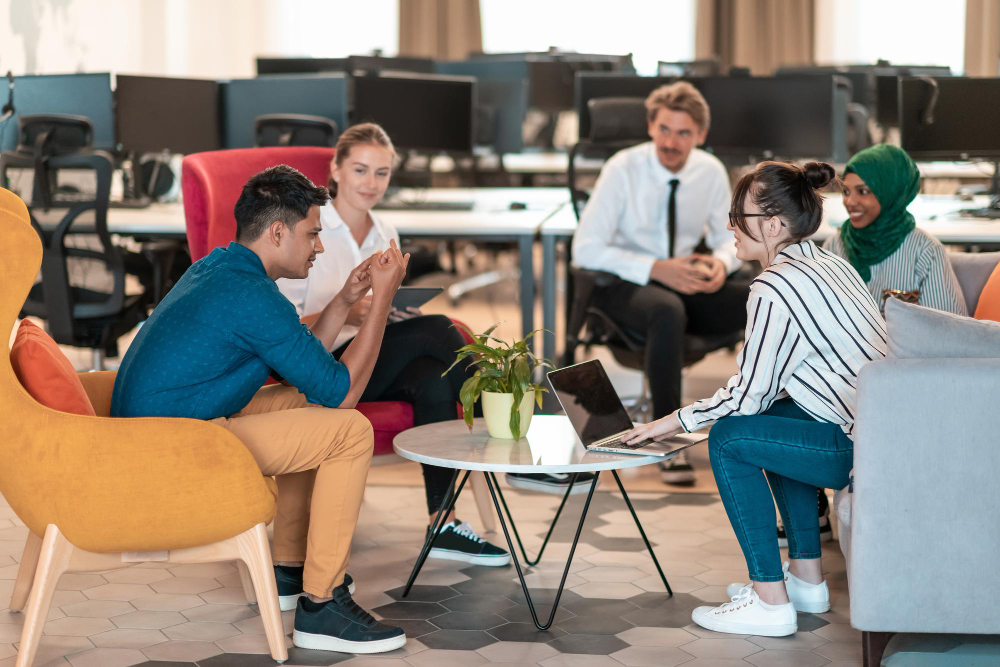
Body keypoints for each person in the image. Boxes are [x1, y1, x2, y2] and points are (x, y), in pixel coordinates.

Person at [112, 165, 409, 654]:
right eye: (313, 233)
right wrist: (383, 301)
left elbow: (307, 370)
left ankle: (289, 569)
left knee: (304, 403)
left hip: (171, 426)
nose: (319, 246)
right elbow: (342, 394)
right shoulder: (253, 296)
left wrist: (349, 297)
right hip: (173, 447)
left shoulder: (222, 268)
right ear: (277, 231)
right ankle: (322, 603)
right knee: (349, 430)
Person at [623, 161, 887, 637]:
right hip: (876, 432)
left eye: (736, 216)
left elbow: (745, 397)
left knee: (728, 438)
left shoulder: (773, 287)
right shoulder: (830, 262)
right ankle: (806, 580)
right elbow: (768, 390)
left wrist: (672, 422)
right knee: (772, 416)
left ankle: (769, 601)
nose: (729, 227)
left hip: (855, 449)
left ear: (771, 225)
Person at [276, 123, 512, 564]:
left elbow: (382, 310)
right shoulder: (310, 226)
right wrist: (352, 310)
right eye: (361, 170)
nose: (370, 183)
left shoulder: (385, 228)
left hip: (372, 356)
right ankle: (513, 426)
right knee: (440, 331)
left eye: (381, 174)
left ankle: (443, 522)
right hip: (324, 362)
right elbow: (281, 326)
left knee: (431, 376)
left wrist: (392, 310)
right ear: (336, 169)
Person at [774, 145, 968, 549]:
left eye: (865, 192)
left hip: (899, 380)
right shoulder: (836, 245)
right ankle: (812, 512)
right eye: (847, 191)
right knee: (780, 402)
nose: (851, 203)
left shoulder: (923, 250)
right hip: (841, 374)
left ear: (893, 192)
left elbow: (953, 330)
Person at [571, 81, 749, 486]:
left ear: (700, 135)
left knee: (762, 296)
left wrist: (721, 264)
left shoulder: (709, 170)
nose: (671, 142)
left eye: (684, 133)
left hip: (684, 282)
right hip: (623, 284)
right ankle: (666, 437)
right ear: (651, 126)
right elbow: (585, 249)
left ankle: (761, 425)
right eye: (664, 129)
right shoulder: (623, 168)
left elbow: (726, 237)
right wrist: (654, 268)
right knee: (666, 309)